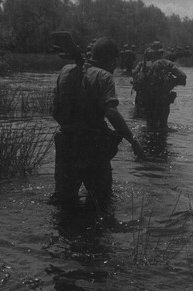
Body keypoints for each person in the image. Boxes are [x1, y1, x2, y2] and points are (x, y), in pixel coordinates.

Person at [51, 36, 144, 210]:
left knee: (63, 204)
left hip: (66, 146)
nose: (116, 65)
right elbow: (111, 112)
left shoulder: (65, 71)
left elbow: (55, 110)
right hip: (92, 148)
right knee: (102, 203)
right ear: (109, 59)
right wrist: (133, 140)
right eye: (115, 61)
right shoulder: (104, 77)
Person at [132, 41, 187, 129]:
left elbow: (138, 80)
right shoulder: (168, 64)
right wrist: (172, 83)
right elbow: (183, 76)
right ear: (162, 53)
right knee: (164, 128)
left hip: (149, 102)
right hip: (164, 100)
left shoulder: (146, 65)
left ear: (152, 53)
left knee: (149, 128)